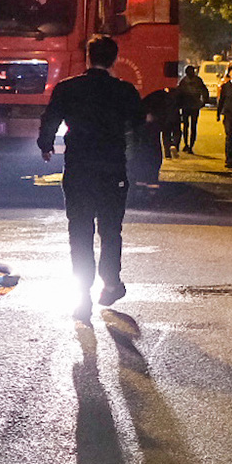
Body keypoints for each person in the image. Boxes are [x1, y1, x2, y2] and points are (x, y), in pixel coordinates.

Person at [38, 35, 145, 319]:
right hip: (112, 169)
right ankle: (110, 283)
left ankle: (82, 295)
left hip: (79, 169)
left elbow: (50, 119)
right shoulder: (125, 91)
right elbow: (138, 125)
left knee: (80, 230)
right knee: (110, 229)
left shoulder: (68, 88)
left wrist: (46, 145)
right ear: (113, 59)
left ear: (88, 57)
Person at [175, 65, 208, 153]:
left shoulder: (190, 81)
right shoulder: (187, 81)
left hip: (191, 106)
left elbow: (204, 91)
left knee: (190, 126)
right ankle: (187, 145)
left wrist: (203, 102)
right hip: (189, 106)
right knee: (189, 126)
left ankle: (189, 145)